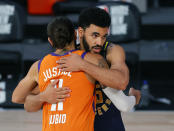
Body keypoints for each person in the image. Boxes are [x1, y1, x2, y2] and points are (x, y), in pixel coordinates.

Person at [12, 17, 109, 131]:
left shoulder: (39, 66)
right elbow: (117, 84)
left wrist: (42, 96)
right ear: (75, 34)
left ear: (50, 41)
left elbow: (17, 98)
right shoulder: (92, 59)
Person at [56, 7, 141, 131]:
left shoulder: (112, 50)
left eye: (104, 36)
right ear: (81, 32)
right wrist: (43, 97)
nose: (99, 42)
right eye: (95, 35)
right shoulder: (67, 52)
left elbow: (121, 82)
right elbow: (27, 97)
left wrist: (82, 65)